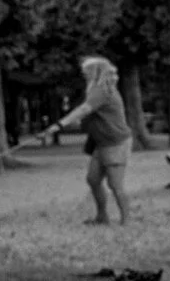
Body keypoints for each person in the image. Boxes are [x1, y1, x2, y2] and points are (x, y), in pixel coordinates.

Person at [46, 55, 135, 226]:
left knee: (115, 184)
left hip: (115, 143)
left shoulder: (102, 90)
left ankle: (126, 221)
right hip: (101, 143)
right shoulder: (96, 90)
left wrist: (59, 124)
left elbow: (84, 109)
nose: (84, 74)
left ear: (96, 72)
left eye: (86, 71)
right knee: (93, 179)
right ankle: (102, 217)